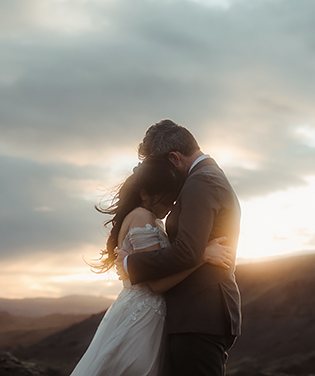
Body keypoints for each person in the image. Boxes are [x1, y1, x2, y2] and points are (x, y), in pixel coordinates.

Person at [71, 155, 233, 376]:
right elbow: (156, 285)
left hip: (141, 311)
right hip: (145, 316)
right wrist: (202, 257)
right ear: (145, 194)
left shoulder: (141, 216)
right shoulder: (143, 218)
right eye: (165, 200)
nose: (169, 209)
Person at [117, 120, 242, 376]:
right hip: (197, 315)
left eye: (160, 165)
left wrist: (131, 264)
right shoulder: (207, 176)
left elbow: (187, 252)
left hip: (199, 315)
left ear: (174, 157)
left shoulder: (201, 181)